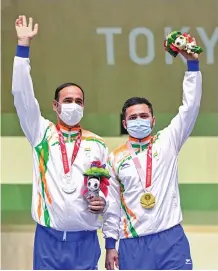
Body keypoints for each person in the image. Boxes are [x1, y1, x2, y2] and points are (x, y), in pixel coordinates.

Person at [13, 15, 109, 270]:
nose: (73, 105)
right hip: (49, 240)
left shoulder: (97, 144)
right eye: (67, 100)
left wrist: (104, 203)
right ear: (55, 106)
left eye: (78, 101)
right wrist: (23, 48)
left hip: (86, 240)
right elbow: (22, 95)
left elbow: (108, 191)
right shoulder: (41, 133)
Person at [103, 42, 202, 270]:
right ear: (125, 124)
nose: (139, 120)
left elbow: (190, 107)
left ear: (153, 120)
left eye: (144, 116)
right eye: (134, 117)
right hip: (133, 244)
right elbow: (112, 205)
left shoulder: (168, 140)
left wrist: (193, 65)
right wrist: (110, 244)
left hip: (171, 240)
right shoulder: (115, 158)